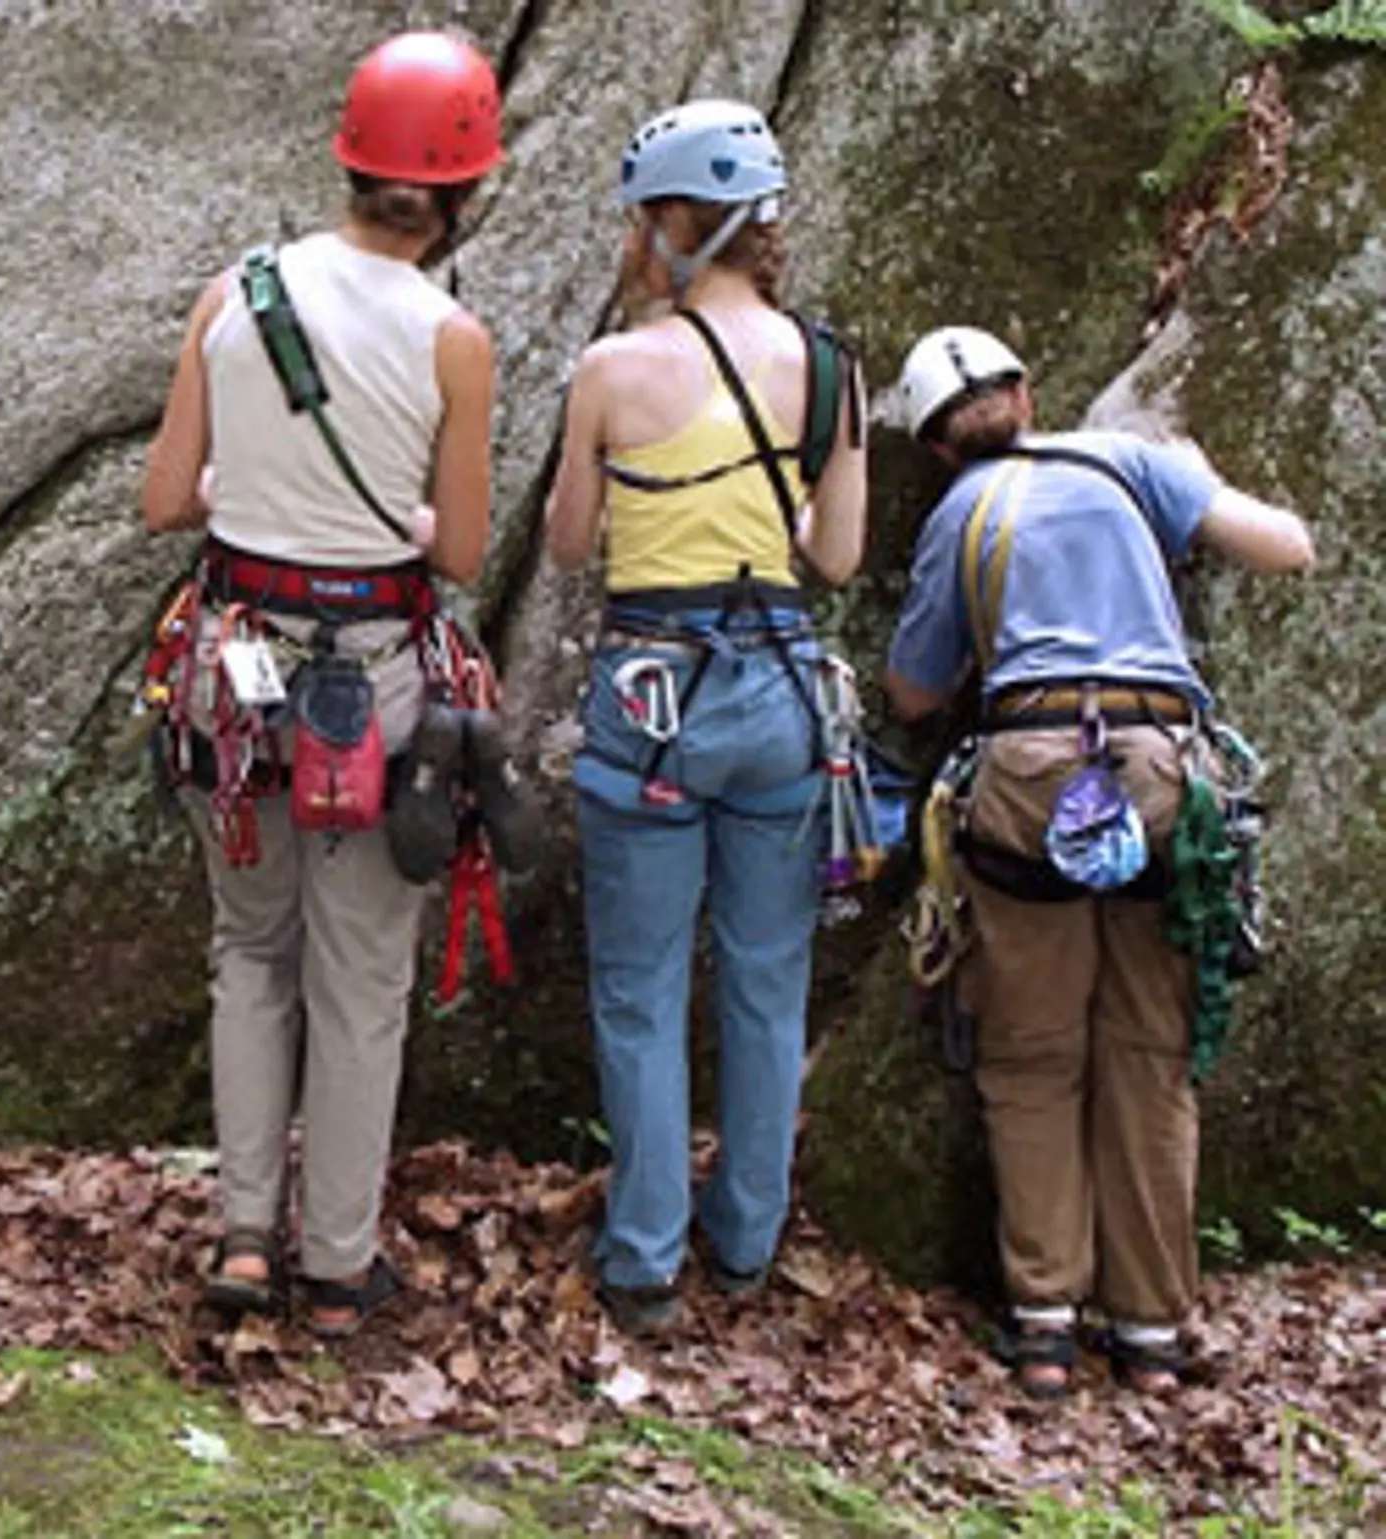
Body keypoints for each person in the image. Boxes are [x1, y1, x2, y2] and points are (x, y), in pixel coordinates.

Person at [138, 29, 501, 1337]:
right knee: (361, 978)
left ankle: (242, 1239)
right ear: (467, 189)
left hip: (232, 677)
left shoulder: (231, 296)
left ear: (345, 159)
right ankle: (339, 1261)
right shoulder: (456, 340)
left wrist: (250, 492)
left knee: (250, 949)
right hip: (379, 682)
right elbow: (458, 551)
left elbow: (165, 498)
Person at [884, 325, 1314, 1397]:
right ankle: (1151, 1331)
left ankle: (1041, 1322)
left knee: (1029, 1053)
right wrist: (1202, 478)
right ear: (1025, 395)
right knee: (1149, 1053)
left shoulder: (957, 516)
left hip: (1028, 775)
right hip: (1162, 766)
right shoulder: (1126, 461)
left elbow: (913, 693)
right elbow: (1286, 546)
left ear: (937, 447)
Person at [544, 100, 868, 1336]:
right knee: (765, 980)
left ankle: (642, 1259)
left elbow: (572, 544)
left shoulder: (615, 367)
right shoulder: (829, 368)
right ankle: (744, 1241)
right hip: (780, 693)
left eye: (642, 215)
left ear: (678, 224)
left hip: (652, 695)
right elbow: (832, 558)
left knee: (637, 989)